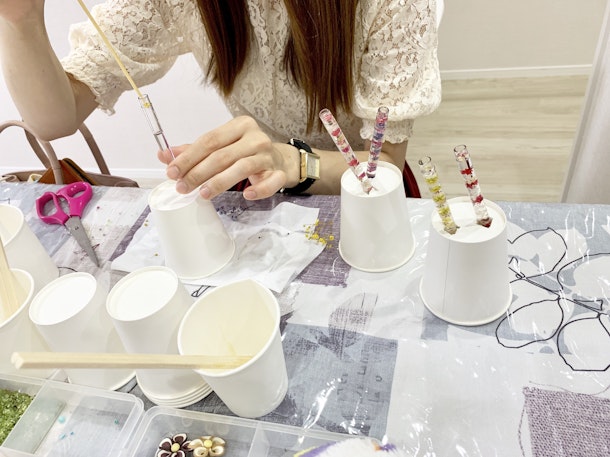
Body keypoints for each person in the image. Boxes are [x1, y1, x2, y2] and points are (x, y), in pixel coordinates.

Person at [0, 0, 441, 200]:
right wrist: (20, 18)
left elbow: (385, 165)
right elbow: (55, 119)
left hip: (364, 191)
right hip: (265, 183)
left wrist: (292, 161)